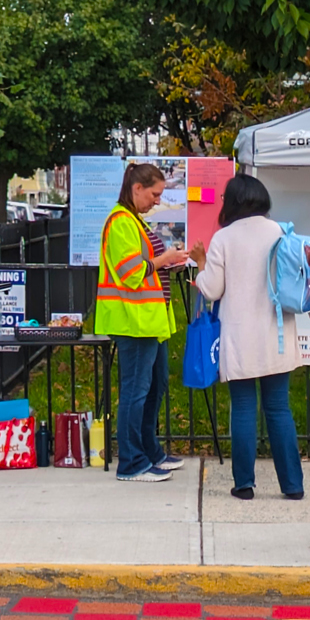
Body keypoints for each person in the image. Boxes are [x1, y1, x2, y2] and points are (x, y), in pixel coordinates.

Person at [191, 175, 310, 500]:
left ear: (232, 202)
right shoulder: (280, 231)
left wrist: (201, 264)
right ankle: (293, 485)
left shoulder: (224, 238)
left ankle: (244, 484)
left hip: (239, 337)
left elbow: (212, 289)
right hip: (277, 333)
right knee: (279, 408)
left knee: (244, 408)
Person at [96, 163, 189, 482]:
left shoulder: (133, 221)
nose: (157, 201)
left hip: (148, 321)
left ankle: (149, 452)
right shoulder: (121, 222)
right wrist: (166, 260)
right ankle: (132, 462)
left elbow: (146, 269)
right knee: (137, 391)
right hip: (132, 321)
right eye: (154, 194)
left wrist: (170, 264)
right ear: (137, 189)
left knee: (153, 388)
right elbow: (131, 272)